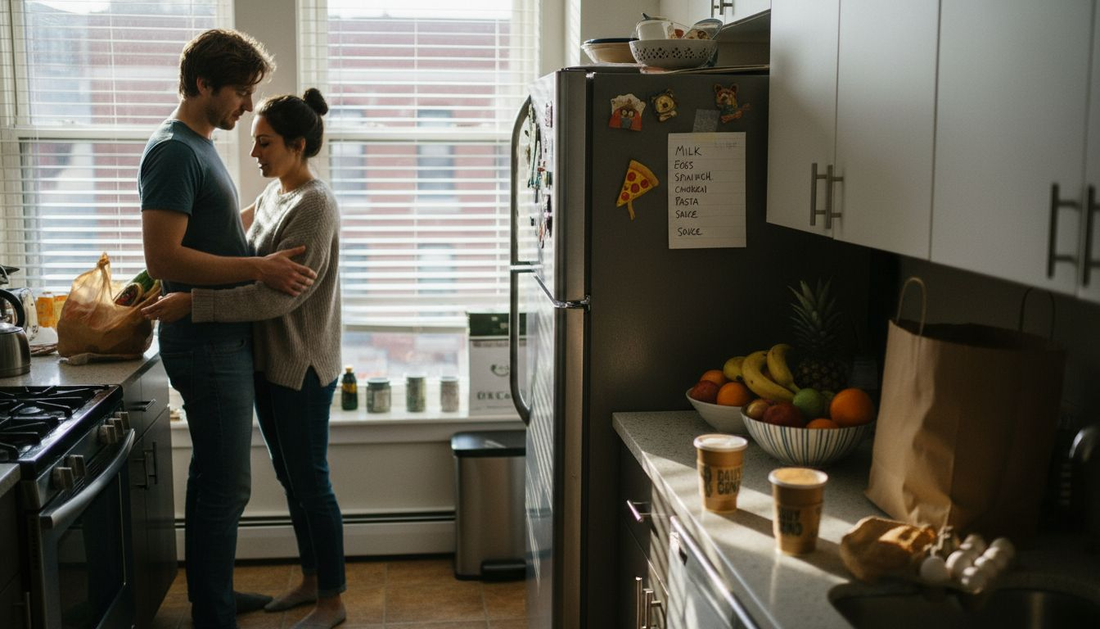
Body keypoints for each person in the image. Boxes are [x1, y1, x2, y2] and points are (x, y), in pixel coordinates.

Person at [143, 88, 347, 629]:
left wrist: (192, 303)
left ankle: (332, 599)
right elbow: (234, 242)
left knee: (311, 481)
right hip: (268, 362)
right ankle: (309, 579)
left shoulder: (314, 204)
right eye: (255, 141)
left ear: (297, 144)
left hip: (300, 365)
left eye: (265, 143)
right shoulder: (278, 193)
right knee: (290, 477)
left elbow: (278, 295)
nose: (254, 152)